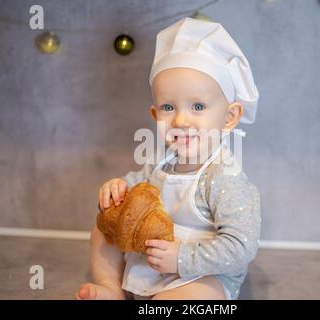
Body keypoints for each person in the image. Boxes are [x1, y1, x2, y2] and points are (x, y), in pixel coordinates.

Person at [76, 16, 261, 300]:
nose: (181, 119)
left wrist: (183, 259)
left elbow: (240, 247)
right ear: (155, 115)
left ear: (229, 116)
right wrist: (116, 188)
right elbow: (135, 188)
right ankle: (111, 288)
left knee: (191, 298)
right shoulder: (161, 163)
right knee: (102, 231)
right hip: (153, 260)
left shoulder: (225, 177)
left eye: (198, 106)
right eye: (168, 106)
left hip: (204, 274)